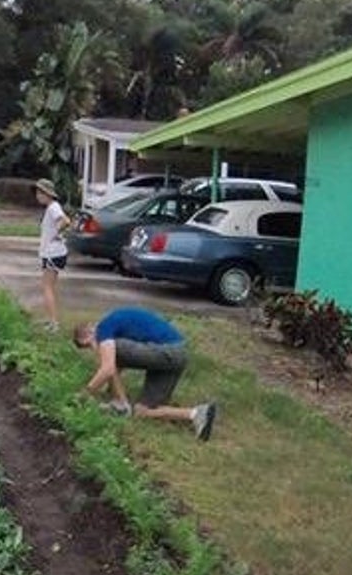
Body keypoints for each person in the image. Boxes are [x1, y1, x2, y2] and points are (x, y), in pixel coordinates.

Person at [72, 308, 218, 441]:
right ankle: (196, 414)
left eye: (89, 344)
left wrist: (85, 393)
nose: (94, 349)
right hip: (173, 357)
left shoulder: (104, 327)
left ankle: (121, 404)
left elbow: (109, 368)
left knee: (111, 355)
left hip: (170, 351)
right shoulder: (114, 327)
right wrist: (108, 387)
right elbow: (115, 368)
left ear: (91, 331)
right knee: (142, 411)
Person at [34, 177, 72, 330]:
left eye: (39, 192)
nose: (37, 195)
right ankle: (51, 319)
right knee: (49, 286)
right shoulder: (51, 207)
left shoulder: (53, 207)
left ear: (46, 194)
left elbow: (65, 221)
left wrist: (55, 234)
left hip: (52, 253)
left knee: (47, 287)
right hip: (53, 252)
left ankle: (53, 322)